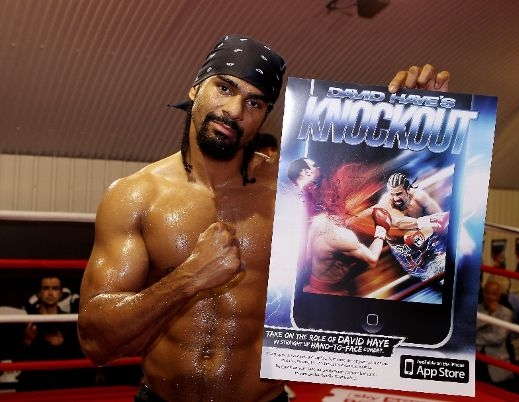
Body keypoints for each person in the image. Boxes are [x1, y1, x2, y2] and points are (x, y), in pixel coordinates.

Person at [77, 33, 451, 402]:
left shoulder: (292, 196)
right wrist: (186, 279)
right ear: (195, 89)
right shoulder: (135, 196)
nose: (235, 110)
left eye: (254, 102)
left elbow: (380, 205)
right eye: (224, 88)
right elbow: (96, 342)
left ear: (265, 116)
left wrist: (419, 115)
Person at [302, 163, 392, 296]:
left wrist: (376, 208)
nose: (362, 201)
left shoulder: (320, 220)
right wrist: (381, 229)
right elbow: (372, 260)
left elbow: (345, 221)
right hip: (330, 293)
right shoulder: (343, 237)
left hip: (314, 283)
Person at [16, 273, 91, 391]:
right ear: (39, 293)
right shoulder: (28, 320)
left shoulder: (69, 320)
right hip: (36, 384)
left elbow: (80, 355)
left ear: (60, 293)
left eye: (55, 288)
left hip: (65, 384)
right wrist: (27, 341)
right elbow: (17, 360)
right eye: (46, 288)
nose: (50, 293)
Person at [476, 278, 514, 385]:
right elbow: (468, 331)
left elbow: (498, 338)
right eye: (487, 293)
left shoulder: (506, 312)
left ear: (499, 296)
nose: (489, 296)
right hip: (475, 360)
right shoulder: (476, 309)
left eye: (493, 294)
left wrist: (492, 315)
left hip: (496, 362)